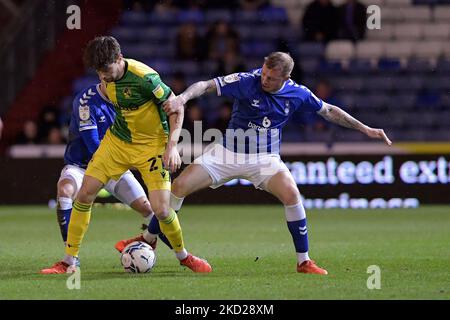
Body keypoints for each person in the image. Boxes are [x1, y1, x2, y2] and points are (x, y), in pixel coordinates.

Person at [139, 52, 392, 274]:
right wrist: (183, 98)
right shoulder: (247, 81)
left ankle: (303, 262)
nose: (264, 80)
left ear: (286, 78)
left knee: (292, 194)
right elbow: (205, 85)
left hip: (264, 159)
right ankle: (149, 238)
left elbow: (328, 111)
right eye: (264, 73)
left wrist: (365, 128)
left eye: (271, 78)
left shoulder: (298, 93)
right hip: (227, 153)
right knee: (179, 187)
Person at [40, 36, 211, 274]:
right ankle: (70, 261)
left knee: (161, 210)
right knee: (85, 195)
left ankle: (184, 256)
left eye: (106, 71)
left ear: (119, 59)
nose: (103, 77)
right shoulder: (106, 79)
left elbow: (176, 107)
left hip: (152, 147)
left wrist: (171, 147)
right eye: (99, 72)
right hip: (118, 143)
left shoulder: (145, 78)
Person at [48, 82, 161, 253]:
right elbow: (93, 145)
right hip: (81, 166)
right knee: (65, 191)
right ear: (103, 78)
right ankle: (70, 255)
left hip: (115, 165)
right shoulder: (85, 102)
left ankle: (179, 253)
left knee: (149, 209)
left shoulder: (127, 100)